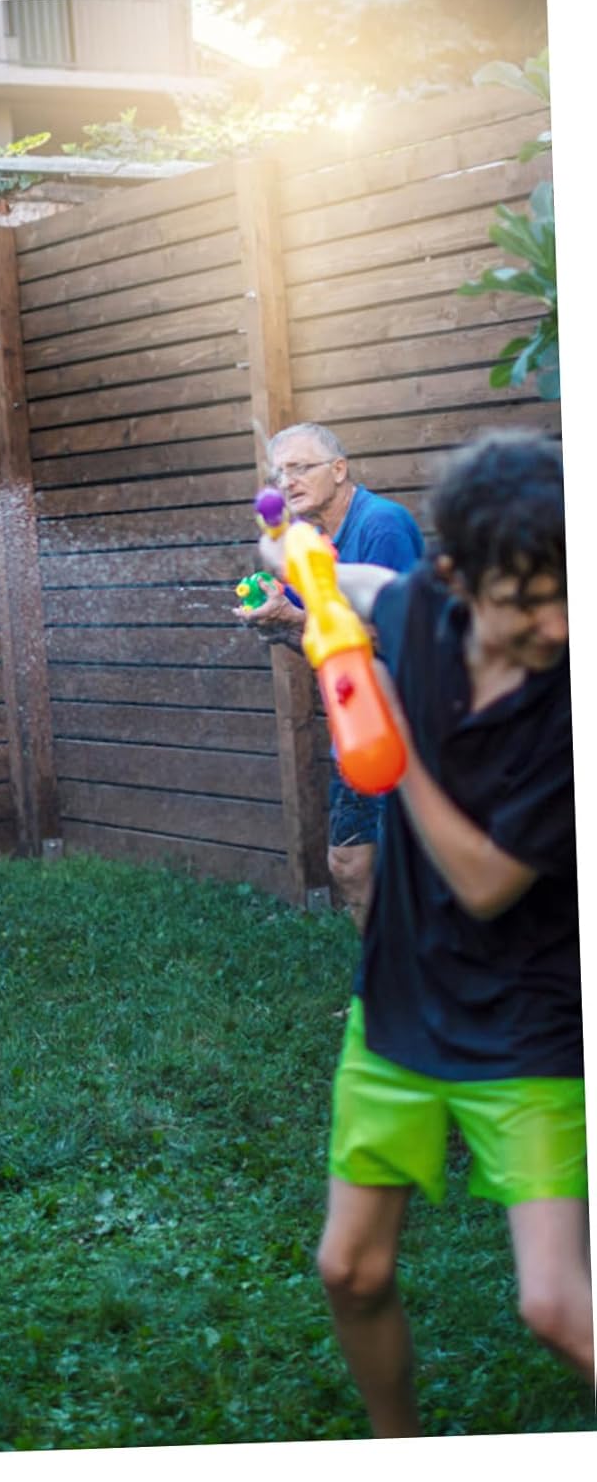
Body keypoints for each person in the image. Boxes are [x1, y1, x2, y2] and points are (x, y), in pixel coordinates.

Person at [257, 430, 588, 1435]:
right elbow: (351, 583)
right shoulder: (418, 611)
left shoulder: (568, 711)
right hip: (399, 998)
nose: (555, 622)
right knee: (349, 1271)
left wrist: (389, 736)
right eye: (527, 599)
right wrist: (295, 557)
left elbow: (485, 881)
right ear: (459, 581)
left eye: (566, 594)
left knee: (557, 1308)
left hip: (527, 1021)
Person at [235, 423, 425, 931]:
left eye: (301, 467)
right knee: (349, 865)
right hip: (360, 725)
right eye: (280, 474)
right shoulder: (311, 542)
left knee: (419, 871)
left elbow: (400, 638)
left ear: (339, 470)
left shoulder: (382, 525)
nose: (288, 482)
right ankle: (381, 972)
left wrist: (293, 619)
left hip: (411, 727)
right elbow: (320, 639)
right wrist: (276, 621)